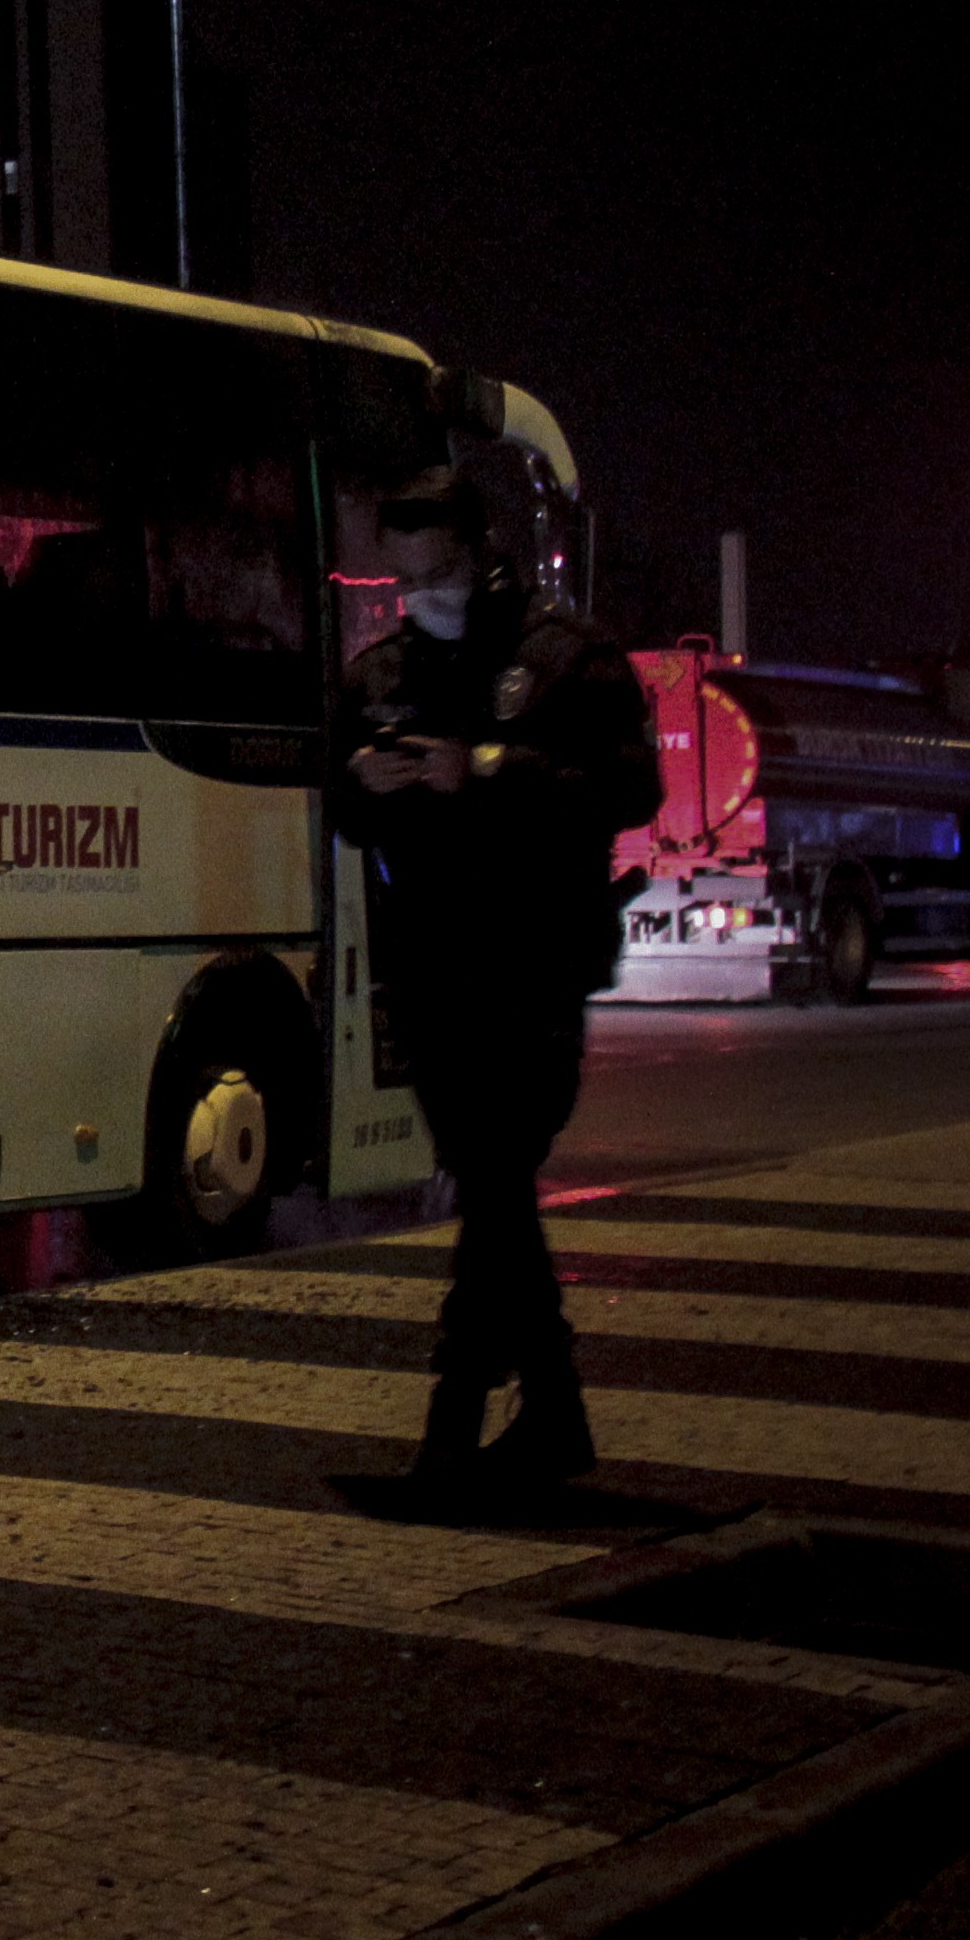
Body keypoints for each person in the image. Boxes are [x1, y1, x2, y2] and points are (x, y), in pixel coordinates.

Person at [332, 464, 662, 1507]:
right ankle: (551, 1418)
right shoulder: (379, 670)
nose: (399, 554)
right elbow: (346, 807)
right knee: (492, 1183)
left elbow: (626, 786)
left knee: (494, 1174)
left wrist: (479, 769)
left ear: (470, 542)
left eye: (420, 534)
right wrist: (366, 783)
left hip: (532, 955)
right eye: (391, 534)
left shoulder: (565, 655)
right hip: (431, 961)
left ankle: (452, 1431)